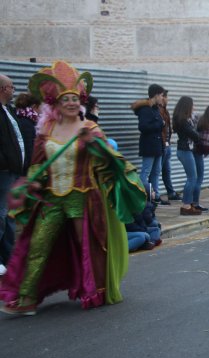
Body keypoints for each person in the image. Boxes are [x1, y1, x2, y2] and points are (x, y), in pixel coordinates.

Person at [0, 61, 146, 315]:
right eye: (65, 98)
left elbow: (110, 161)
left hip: (84, 197)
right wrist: (33, 181)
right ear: (55, 102)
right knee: (38, 245)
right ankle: (27, 299)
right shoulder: (46, 130)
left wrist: (95, 145)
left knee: (88, 245)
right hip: (51, 199)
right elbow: (38, 165)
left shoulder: (89, 129)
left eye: (74, 98)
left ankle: (95, 291)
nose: (70, 103)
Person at [0, 74, 25, 277]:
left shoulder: (8, 110)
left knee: (9, 217)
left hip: (13, 171)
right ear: (2, 89)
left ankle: (9, 259)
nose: (13, 89)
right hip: (4, 172)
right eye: (11, 86)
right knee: (2, 215)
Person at [131, 83, 167, 205]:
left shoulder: (155, 108)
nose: (163, 98)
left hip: (157, 146)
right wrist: (160, 125)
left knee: (156, 172)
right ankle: (141, 195)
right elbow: (143, 127)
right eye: (161, 95)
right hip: (149, 146)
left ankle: (155, 196)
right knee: (146, 172)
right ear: (156, 95)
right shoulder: (145, 110)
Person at [173, 96, 203, 215]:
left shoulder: (185, 120)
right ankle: (186, 205)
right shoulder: (183, 121)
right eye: (192, 105)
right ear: (187, 106)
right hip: (184, 150)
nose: (193, 107)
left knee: (192, 178)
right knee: (192, 178)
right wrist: (198, 135)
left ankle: (189, 204)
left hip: (186, 150)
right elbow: (195, 135)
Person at [126, 184, 162, 252]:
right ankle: (122, 250)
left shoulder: (138, 206)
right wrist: (143, 230)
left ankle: (148, 243)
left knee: (155, 229)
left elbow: (142, 222)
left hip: (140, 230)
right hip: (129, 232)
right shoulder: (126, 208)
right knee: (142, 236)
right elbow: (130, 226)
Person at [159, 90, 180, 203]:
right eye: (166, 97)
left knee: (166, 170)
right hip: (162, 145)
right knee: (156, 171)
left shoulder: (164, 110)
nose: (168, 99)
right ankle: (154, 195)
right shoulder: (158, 110)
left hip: (167, 145)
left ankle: (171, 193)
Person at [14, 92, 41, 174]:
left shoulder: (16, 116)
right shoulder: (27, 123)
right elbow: (29, 148)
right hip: (24, 169)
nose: (41, 111)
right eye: (39, 108)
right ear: (34, 106)